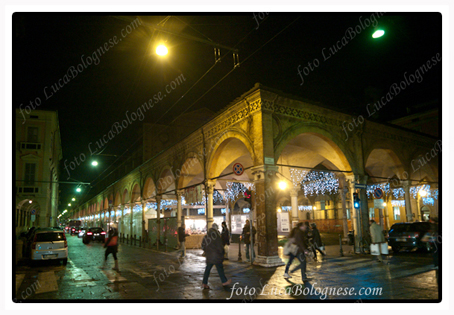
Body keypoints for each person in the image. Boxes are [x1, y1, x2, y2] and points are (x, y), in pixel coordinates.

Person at [201, 223, 231, 289]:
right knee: (220, 268)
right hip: (216, 256)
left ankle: (204, 283)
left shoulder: (206, 236)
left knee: (207, 270)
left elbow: (202, 246)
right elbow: (220, 246)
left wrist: (207, 251)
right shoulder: (217, 236)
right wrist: (222, 253)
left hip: (209, 256)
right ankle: (224, 281)